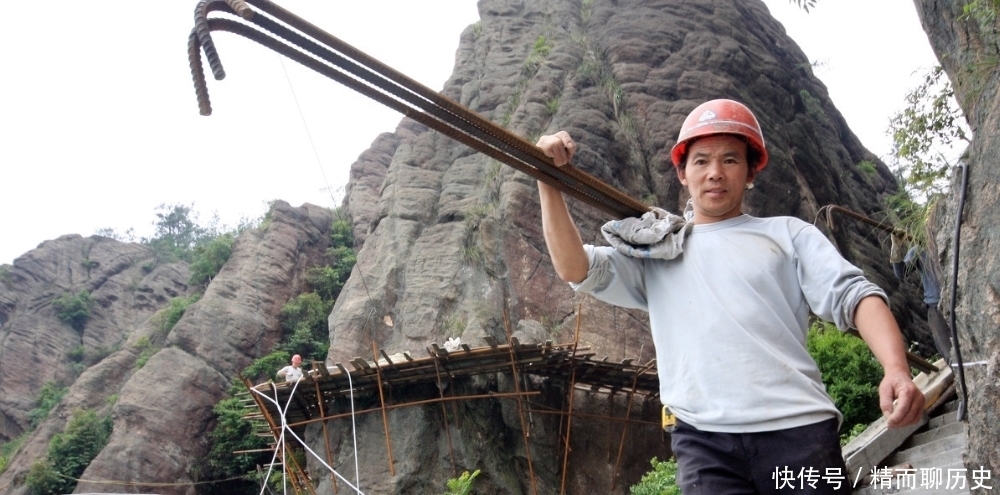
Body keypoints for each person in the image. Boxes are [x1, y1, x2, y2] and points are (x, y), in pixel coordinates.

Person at [535, 99, 924, 494]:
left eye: (730, 160)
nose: (715, 173)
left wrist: (896, 370)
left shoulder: (787, 235)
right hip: (703, 441)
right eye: (701, 161)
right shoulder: (658, 249)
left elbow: (856, 297)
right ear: (683, 174)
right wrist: (548, 182)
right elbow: (575, 268)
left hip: (798, 430)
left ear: (752, 170)